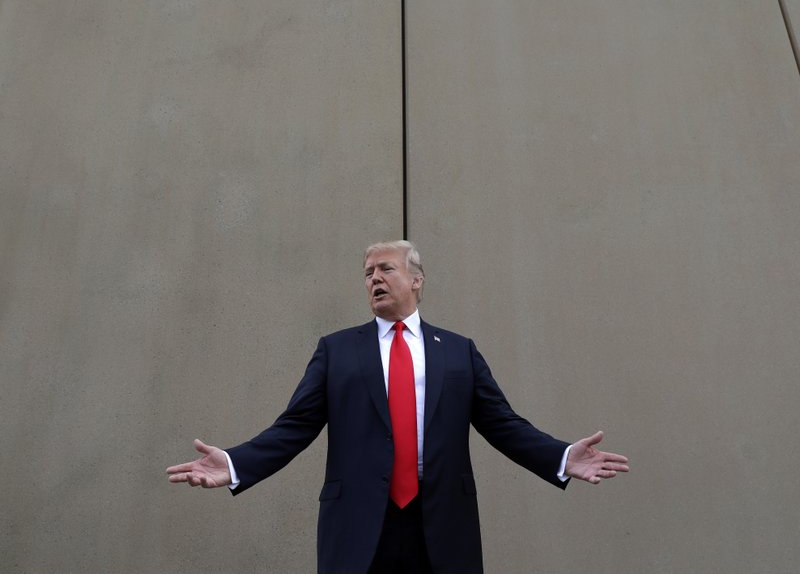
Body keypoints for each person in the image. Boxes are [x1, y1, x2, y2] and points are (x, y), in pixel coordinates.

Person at [167, 240, 629, 573]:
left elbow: (503, 425)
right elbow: (295, 426)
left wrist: (563, 457)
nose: (374, 278)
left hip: (441, 522)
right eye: (368, 273)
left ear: (416, 279)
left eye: (385, 269)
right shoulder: (337, 350)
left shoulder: (458, 351)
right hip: (360, 524)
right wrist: (233, 463)